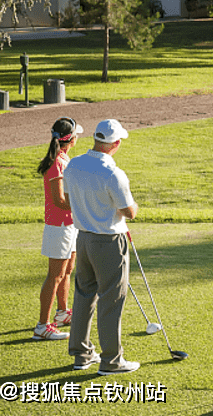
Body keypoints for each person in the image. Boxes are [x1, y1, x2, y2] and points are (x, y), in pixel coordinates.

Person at [64, 118, 140, 375]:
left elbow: (70, 196)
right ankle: (111, 361)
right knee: (111, 300)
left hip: (82, 238)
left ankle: (82, 355)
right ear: (115, 143)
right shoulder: (113, 173)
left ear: (96, 139)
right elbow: (129, 212)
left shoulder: (74, 165)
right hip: (109, 242)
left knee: (84, 295)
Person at [33, 117, 83, 341]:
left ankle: (62, 313)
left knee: (67, 270)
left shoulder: (63, 158)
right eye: (76, 134)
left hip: (69, 224)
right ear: (70, 139)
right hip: (59, 226)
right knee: (55, 275)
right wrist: (85, 206)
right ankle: (42, 326)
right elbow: (59, 200)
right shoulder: (56, 164)